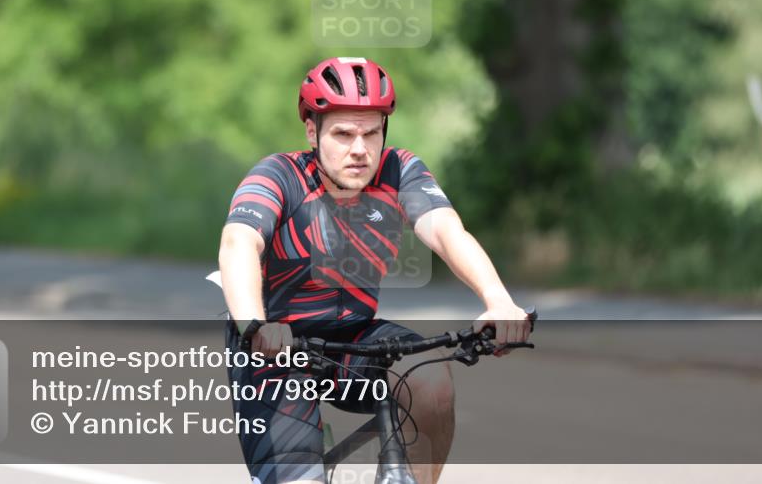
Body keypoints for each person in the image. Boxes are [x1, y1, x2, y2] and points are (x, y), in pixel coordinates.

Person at [218, 57, 532, 484]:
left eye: (371, 133)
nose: (360, 149)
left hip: (355, 343)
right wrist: (255, 325)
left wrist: (498, 300)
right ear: (312, 131)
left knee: (432, 379)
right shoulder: (278, 175)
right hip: (277, 349)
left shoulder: (399, 171)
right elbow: (239, 244)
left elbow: (445, 231)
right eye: (343, 134)